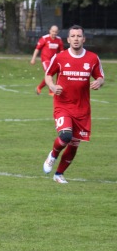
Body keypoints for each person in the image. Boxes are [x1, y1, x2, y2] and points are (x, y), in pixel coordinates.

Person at [42, 25, 104, 184]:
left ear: (84, 39)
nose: (76, 39)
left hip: (82, 109)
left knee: (74, 144)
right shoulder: (60, 57)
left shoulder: (93, 58)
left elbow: (100, 76)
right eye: (73, 36)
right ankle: (53, 155)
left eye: (79, 36)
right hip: (62, 105)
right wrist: (52, 86)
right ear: (68, 39)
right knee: (65, 136)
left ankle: (58, 174)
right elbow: (48, 75)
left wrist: (99, 82)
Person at [30, 25, 64, 95]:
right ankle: (51, 92)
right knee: (49, 74)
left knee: (49, 74)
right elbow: (37, 49)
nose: (54, 33)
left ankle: (39, 87)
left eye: (56, 32)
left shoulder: (59, 40)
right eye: (53, 31)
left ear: (58, 32)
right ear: (50, 31)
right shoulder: (44, 38)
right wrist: (33, 58)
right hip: (45, 60)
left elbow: (61, 51)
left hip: (53, 61)